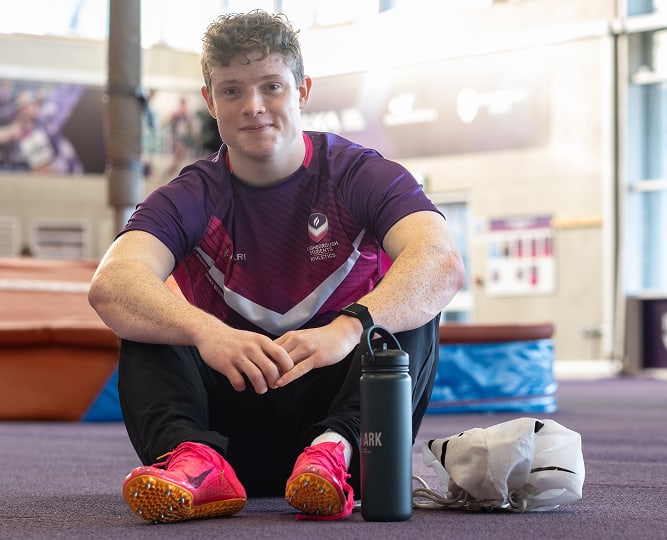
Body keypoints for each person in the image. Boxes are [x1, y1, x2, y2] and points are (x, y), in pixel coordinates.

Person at [88, 9, 464, 523]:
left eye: (271, 87)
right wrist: (205, 331)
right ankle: (193, 463)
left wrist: (350, 327)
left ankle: (336, 451)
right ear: (209, 102)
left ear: (303, 90)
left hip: (343, 423)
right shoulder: (190, 195)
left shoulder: (359, 174)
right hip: (231, 423)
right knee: (148, 317)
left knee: (408, 314)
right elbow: (112, 284)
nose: (254, 107)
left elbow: (440, 262)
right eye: (232, 91)